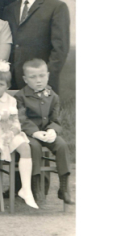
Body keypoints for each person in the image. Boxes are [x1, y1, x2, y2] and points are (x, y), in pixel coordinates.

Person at [0, 59, 37, 215]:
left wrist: (12, 132)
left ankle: (26, 188)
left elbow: (16, 121)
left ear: (7, 86)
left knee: (25, 147)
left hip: (8, 132)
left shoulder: (10, 100)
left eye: (1, 84)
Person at [5, 0, 70, 92]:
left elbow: (60, 49)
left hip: (40, 84)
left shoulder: (56, 7)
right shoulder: (9, 9)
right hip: (12, 83)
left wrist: (44, 80)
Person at [17, 58, 73, 204]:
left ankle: (64, 188)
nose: (38, 80)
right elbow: (21, 119)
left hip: (47, 133)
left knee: (61, 145)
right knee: (34, 147)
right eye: (33, 77)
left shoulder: (53, 96)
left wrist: (53, 130)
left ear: (47, 75)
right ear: (25, 79)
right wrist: (34, 132)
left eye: (42, 76)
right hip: (29, 134)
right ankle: (36, 188)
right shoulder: (21, 96)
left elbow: (56, 119)